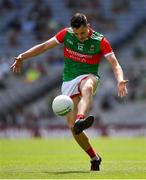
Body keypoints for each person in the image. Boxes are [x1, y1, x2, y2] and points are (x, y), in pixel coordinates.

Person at [11, 13, 128, 171]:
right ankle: (94, 157)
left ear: (88, 26)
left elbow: (115, 64)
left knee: (86, 88)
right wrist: (22, 56)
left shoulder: (100, 41)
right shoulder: (66, 34)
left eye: (83, 32)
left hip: (89, 76)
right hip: (68, 82)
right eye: (77, 33)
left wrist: (120, 79)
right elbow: (44, 46)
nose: (80, 36)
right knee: (73, 128)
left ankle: (81, 118)